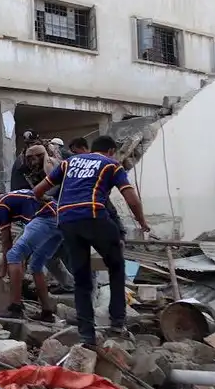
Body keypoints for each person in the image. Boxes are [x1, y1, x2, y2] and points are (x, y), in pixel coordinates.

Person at [32, 135, 150, 346]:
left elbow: (38, 191)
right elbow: (131, 198)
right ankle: (117, 322)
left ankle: (87, 333)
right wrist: (142, 223)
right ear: (111, 151)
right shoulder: (111, 165)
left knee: (82, 277)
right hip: (94, 216)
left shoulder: (68, 163)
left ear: (91, 149)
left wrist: (49, 201)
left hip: (67, 221)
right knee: (116, 266)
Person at [0, 186, 60, 321]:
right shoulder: (11, 197)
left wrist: (2, 271)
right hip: (60, 219)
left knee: (14, 255)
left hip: (46, 217)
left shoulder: (2, 203)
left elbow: (6, 240)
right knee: (36, 265)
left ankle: (15, 308)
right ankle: (47, 312)